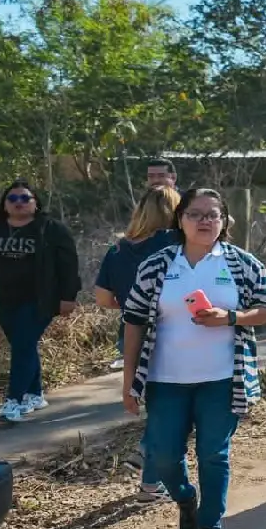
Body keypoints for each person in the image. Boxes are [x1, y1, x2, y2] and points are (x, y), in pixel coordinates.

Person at [121, 188, 266, 529]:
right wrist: (129, 383)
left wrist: (232, 317)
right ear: (180, 220)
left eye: (213, 214)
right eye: (195, 214)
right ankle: (186, 498)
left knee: (214, 454)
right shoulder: (158, 265)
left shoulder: (241, 263)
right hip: (164, 379)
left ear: (224, 221)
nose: (205, 220)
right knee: (163, 454)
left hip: (222, 378)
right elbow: (134, 321)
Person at [95, 184, 181, 502]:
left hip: (131, 333)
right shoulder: (175, 243)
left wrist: (133, 305)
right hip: (169, 332)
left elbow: (102, 297)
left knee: (160, 407)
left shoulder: (118, 248)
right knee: (176, 409)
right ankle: (147, 450)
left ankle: (150, 483)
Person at [0, 180, 81, 423]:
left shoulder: (51, 228)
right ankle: (35, 393)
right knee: (24, 345)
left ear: (35, 202)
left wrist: (68, 297)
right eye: (12, 199)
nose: (18, 203)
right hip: (2, 300)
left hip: (40, 299)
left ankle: (14, 400)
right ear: (4, 203)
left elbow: (68, 265)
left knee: (23, 343)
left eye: (24, 198)